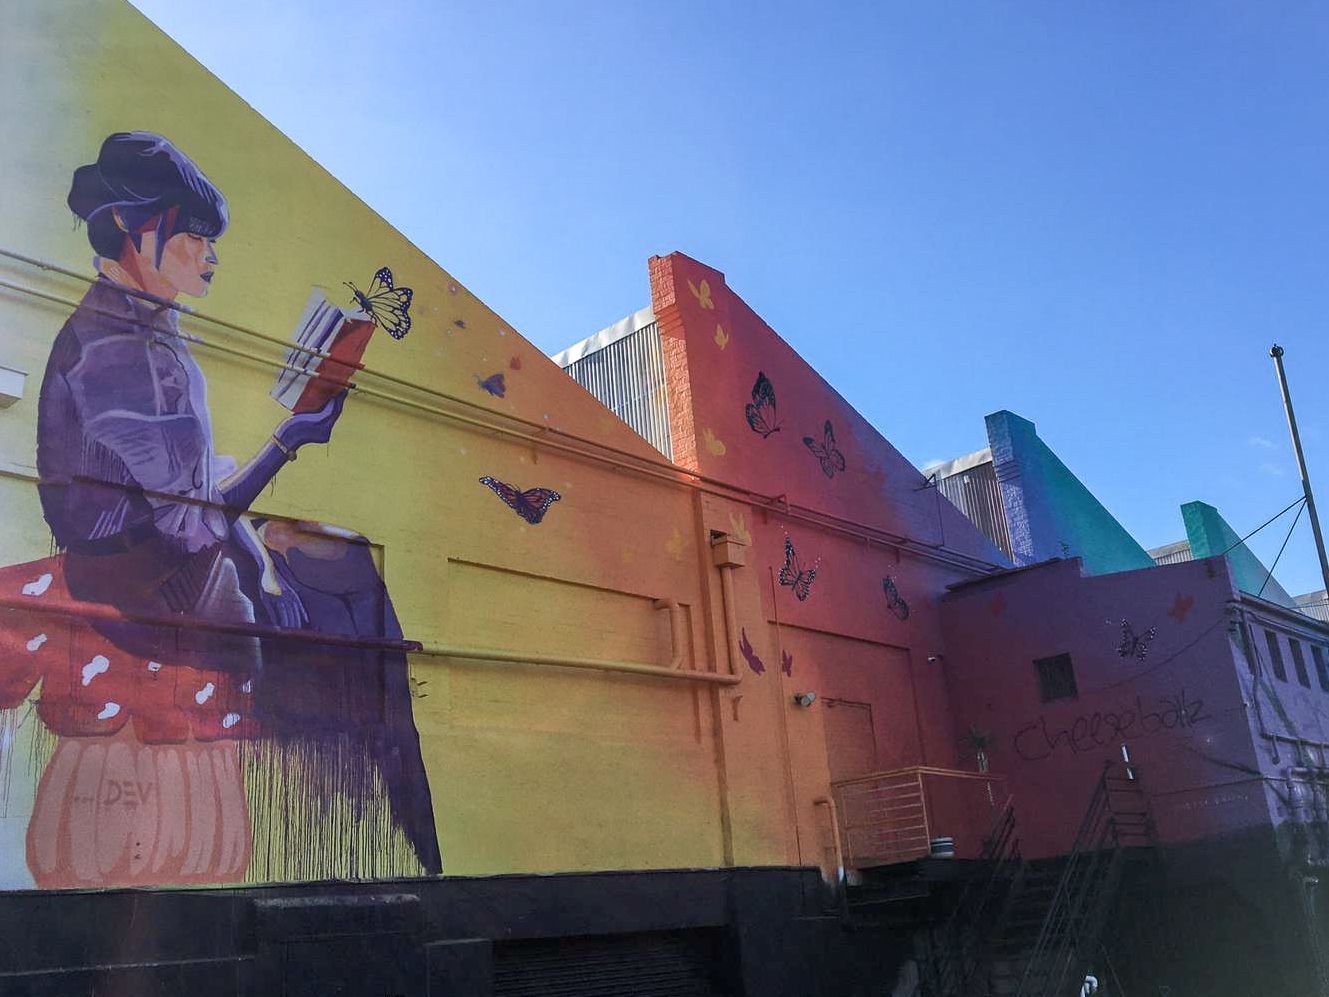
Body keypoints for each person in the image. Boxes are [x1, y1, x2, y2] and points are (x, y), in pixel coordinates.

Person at [6, 131, 440, 883]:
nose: (209, 256)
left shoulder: (146, 325)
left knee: (328, 565)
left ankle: (395, 826)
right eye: (194, 238)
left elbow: (182, 484)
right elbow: (186, 519)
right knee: (346, 595)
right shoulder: (117, 353)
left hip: (159, 557)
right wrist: (290, 441)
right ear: (138, 231)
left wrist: (241, 493)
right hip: (149, 589)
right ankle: (379, 835)